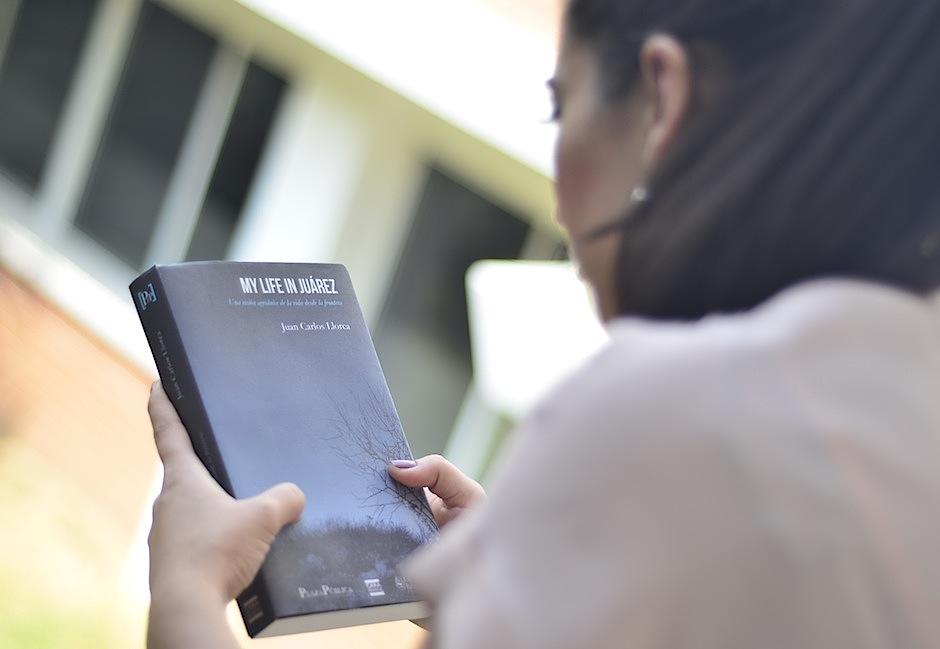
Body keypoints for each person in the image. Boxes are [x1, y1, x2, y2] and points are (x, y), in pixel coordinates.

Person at [145, 0, 940, 647]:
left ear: (661, 100)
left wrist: (185, 589)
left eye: (562, 107)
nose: (561, 202)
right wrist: (530, 564)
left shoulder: (674, 411)